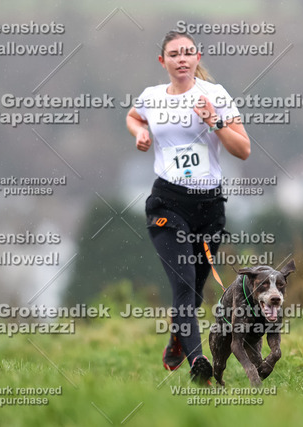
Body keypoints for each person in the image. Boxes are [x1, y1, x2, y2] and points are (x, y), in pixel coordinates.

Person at [126, 30, 250, 384]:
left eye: (187, 53)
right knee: (182, 284)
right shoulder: (152, 97)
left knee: (194, 291)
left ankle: (177, 338)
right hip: (168, 203)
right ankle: (199, 362)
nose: (181, 59)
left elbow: (243, 150)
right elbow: (134, 116)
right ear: (162, 61)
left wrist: (214, 121)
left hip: (209, 208)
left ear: (197, 57)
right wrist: (140, 133)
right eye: (174, 54)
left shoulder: (215, 95)